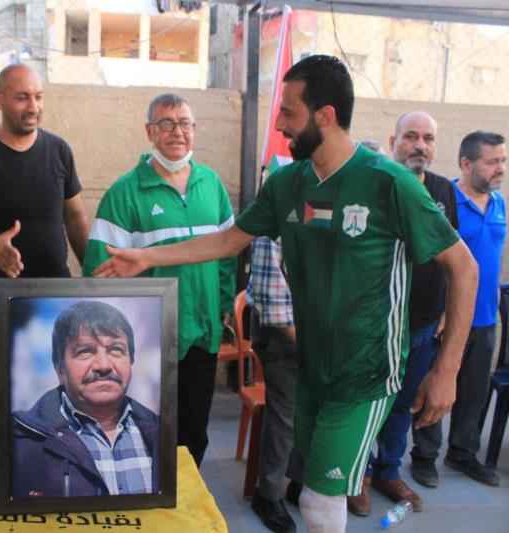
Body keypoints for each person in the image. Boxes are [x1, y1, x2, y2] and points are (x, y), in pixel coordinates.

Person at [93, 55, 478, 533]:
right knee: (313, 487)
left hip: (368, 369)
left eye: (289, 113)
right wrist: (148, 258)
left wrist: (447, 370)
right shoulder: (287, 184)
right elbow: (228, 240)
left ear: (326, 115)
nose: (279, 124)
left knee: (319, 497)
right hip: (310, 363)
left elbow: (464, 266)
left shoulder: (387, 183)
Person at [82, 93, 236, 467]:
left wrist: (223, 309)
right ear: (150, 132)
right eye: (166, 124)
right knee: (148, 433)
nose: (176, 132)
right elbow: (99, 271)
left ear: (194, 131)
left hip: (202, 333)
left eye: (184, 123)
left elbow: (227, 256)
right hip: (148, 342)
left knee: (195, 432)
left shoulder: (211, 185)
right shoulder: (125, 192)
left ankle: (185, 504)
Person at [0, 64, 90, 448]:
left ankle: (52, 471)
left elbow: (75, 217)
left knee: (61, 392)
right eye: (23, 96)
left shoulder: (59, 151)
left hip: (54, 297)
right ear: (0, 100)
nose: (33, 105)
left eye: (38, 96)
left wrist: (92, 273)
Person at [348, 111, 459, 516]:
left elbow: (454, 258)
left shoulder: (445, 191)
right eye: (411, 137)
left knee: (403, 404)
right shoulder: (373, 187)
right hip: (377, 325)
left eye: (428, 138)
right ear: (392, 140)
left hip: (424, 325)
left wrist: (446, 312)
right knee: (368, 404)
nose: (420, 145)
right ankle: (357, 476)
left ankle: (389, 471)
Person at [411, 130, 506, 488]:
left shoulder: (499, 204)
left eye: (503, 160)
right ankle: (424, 457)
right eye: (492, 161)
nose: (500, 168)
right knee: (436, 382)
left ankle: (463, 453)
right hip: (448, 317)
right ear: (466, 164)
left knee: (475, 391)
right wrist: (443, 311)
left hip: (484, 319)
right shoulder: (446, 200)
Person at [12, 301, 159, 497]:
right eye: (85, 352)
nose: (103, 365)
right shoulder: (22, 442)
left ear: (131, 361)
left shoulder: (158, 432)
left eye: (116, 349)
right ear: (60, 368)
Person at [246, 236, 300, 532]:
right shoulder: (280, 206)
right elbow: (274, 301)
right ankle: (268, 495)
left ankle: (298, 482)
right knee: (285, 415)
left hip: (316, 329)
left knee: (313, 411)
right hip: (282, 330)